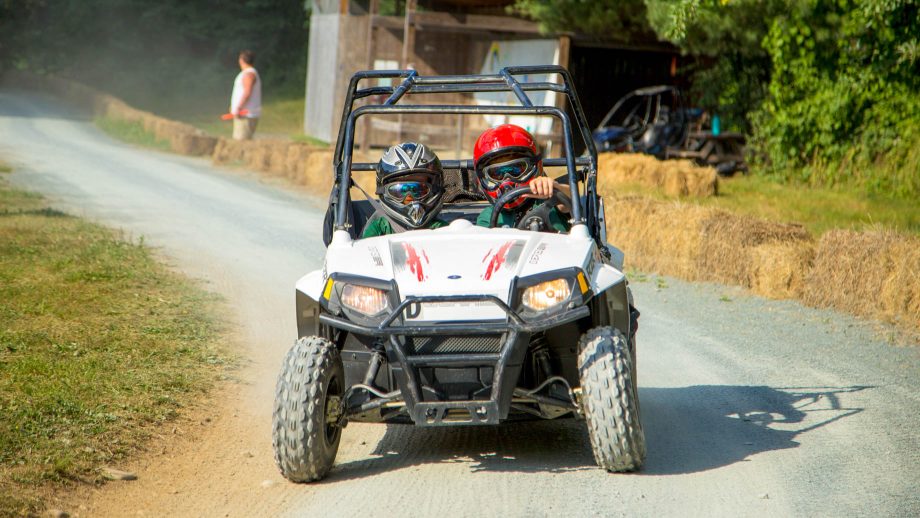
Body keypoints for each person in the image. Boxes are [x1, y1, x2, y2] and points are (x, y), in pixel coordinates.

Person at [473, 124, 569, 232]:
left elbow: (571, 199)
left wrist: (553, 187)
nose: (507, 180)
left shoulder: (549, 201)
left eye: (516, 169)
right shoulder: (488, 216)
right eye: (497, 173)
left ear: (536, 165)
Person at [361, 142, 449, 238]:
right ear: (384, 190)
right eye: (400, 190)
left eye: (418, 189)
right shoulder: (380, 226)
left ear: (434, 189)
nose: (410, 198)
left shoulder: (441, 228)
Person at [230, 50, 261, 140]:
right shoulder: (249, 73)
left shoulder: (249, 74)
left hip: (245, 115)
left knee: (241, 142)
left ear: (241, 60)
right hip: (244, 114)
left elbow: (247, 92)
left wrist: (238, 108)